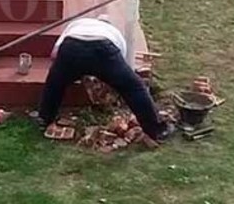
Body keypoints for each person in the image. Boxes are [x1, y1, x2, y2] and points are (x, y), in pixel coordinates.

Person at [36, 14, 175, 143]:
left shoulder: (76, 24)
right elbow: (121, 60)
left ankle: (44, 119)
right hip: (103, 50)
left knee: (54, 84)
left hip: (72, 47)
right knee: (134, 87)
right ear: (109, 24)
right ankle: (156, 130)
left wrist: (64, 72)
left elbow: (54, 54)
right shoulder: (114, 32)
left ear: (95, 20)